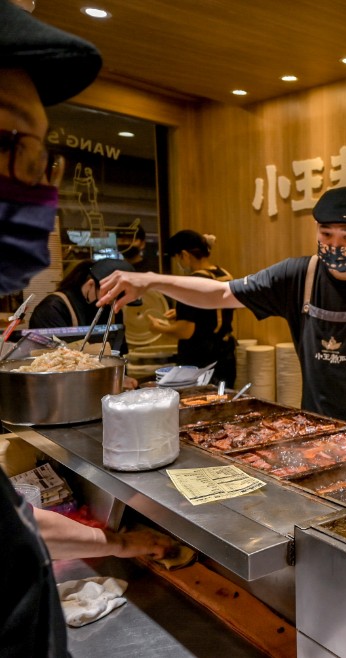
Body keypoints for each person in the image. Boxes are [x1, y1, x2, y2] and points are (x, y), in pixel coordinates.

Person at [1, 3, 174, 655]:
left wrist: (123, 542)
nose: (37, 183)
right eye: (7, 143)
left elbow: (13, 527)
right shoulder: (52, 318)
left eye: (40, 157)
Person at [99, 187, 346, 435]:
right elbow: (220, 294)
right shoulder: (298, 276)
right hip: (317, 425)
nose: (335, 244)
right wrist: (151, 280)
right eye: (326, 234)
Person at [148, 229, 237, 385]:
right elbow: (216, 310)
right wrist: (181, 312)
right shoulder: (224, 274)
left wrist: (159, 329)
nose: (178, 263)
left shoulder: (191, 283)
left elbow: (186, 331)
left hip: (199, 363)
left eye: (177, 258)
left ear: (184, 255)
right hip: (225, 358)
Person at [28, 257, 134, 357]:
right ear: (90, 285)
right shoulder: (52, 309)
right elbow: (52, 359)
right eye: (111, 297)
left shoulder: (111, 308)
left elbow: (119, 353)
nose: (111, 303)